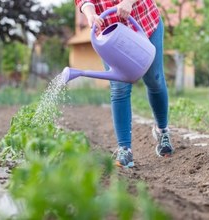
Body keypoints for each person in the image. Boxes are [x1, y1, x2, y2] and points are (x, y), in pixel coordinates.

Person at [74, 0, 174, 168]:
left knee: (155, 80)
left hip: (144, 21)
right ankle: (124, 149)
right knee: (119, 88)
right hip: (110, 34)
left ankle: (162, 131)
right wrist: (91, 14)